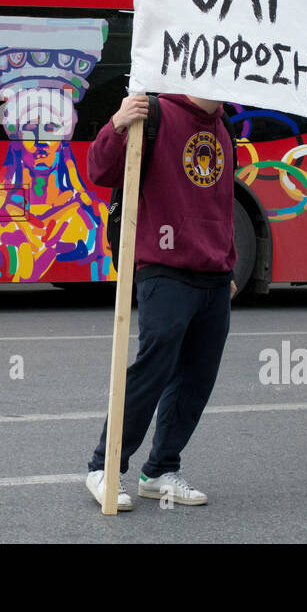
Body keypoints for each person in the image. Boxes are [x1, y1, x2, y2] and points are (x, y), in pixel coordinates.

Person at [83, 93, 237, 510]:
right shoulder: (153, 112)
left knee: (197, 378)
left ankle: (161, 469)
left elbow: (222, 204)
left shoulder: (224, 128)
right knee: (153, 368)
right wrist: (116, 124)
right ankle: (105, 467)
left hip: (214, 275)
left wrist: (228, 263)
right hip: (164, 266)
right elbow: (100, 171)